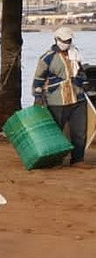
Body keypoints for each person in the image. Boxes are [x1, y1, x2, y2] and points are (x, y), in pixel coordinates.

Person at [32, 25, 88, 164]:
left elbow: (81, 72)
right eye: (64, 40)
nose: (66, 43)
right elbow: (38, 79)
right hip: (56, 100)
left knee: (79, 132)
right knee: (56, 132)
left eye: (69, 40)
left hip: (77, 98)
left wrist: (80, 79)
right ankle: (54, 160)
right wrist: (38, 97)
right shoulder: (47, 58)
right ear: (57, 39)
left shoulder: (75, 54)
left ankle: (78, 159)